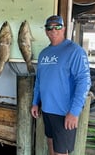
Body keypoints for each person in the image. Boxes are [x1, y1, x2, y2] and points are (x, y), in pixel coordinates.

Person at [31, 15, 91, 155]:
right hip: (47, 110)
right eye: (49, 27)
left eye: (57, 26)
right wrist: (35, 102)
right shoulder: (43, 54)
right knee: (50, 142)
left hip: (64, 112)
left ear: (63, 28)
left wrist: (74, 111)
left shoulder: (75, 51)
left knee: (61, 152)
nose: (53, 30)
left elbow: (84, 81)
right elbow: (39, 80)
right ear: (46, 31)